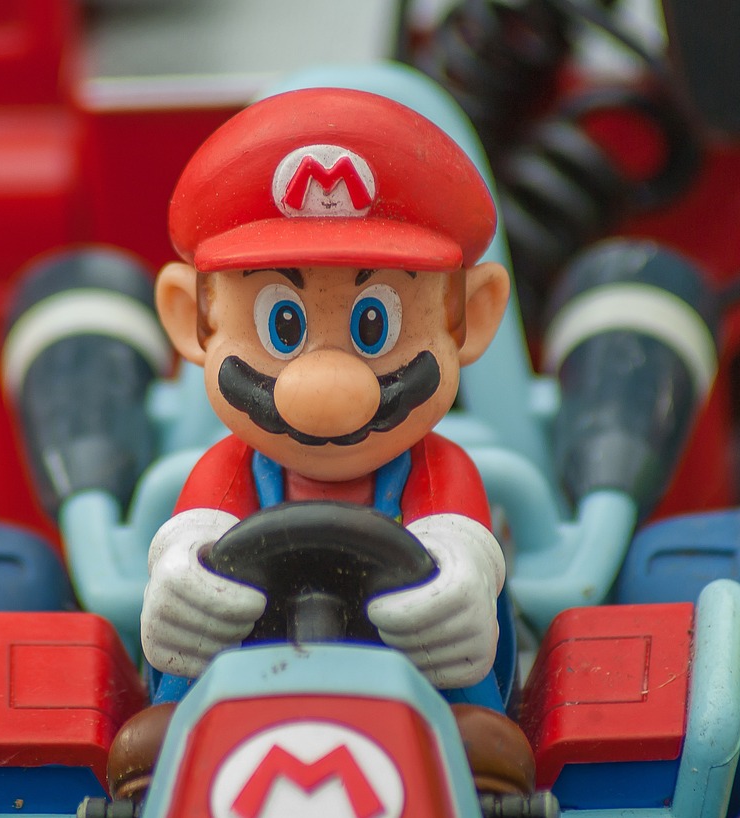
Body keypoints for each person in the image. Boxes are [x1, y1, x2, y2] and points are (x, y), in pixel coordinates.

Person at [108, 86, 532, 799]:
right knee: (162, 704)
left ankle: (479, 770)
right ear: (193, 321)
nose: (327, 387)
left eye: (373, 325)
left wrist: (456, 584)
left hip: (421, 696)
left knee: (480, 724)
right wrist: (187, 581)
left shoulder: (438, 472)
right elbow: (193, 540)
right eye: (283, 326)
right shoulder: (227, 472)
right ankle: (175, 742)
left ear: (470, 319)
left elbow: (460, 545)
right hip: (237, 693)